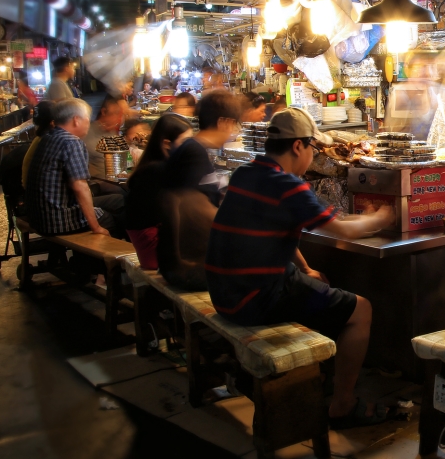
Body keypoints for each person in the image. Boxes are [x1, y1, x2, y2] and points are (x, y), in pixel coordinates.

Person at [205, 107, 395, 428]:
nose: (313, 155)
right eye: (313, 148)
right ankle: (342, 404)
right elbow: (344, 230)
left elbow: (273, 229)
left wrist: (306, 267)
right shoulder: (289, 186)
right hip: (254, 300)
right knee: (361, 310)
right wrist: (381, 217)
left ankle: (317, 376)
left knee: (317, 284)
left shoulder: (245, 174)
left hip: (223, 292)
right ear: (298, 147)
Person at [157, 90, 241, 289]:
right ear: (224, 122)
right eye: (234, 125)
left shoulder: (193, 148)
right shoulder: (194, 152)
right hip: (187, 268)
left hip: (178, 262)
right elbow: (192, 208)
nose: (233, 132)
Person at [25, 99, 124, 237]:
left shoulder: (48, 137)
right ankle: (103, 257)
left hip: (38, 218)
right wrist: (96, 227)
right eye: (87, 120)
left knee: (118, 200)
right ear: (76, 120)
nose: (89, 124)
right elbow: (80, 187)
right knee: (111, 219)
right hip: (58, 221)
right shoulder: (71, 142)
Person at [125, 115, 193, 269]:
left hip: (154, 238)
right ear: (167, 144)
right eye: (185, 142)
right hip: (153, 246)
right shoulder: (158, 169)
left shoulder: (155, 165)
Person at [84, 96, 125, 179]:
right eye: (115, 113)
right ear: (103, 112)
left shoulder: (112, 132)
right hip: (100, 181)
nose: (118, 118)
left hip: (117, 178)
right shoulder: (87, 132)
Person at [22, 101, 54, 189]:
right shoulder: (50, 141)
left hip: (31, 192)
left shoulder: (40, 138)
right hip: (39, 194)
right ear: (53, 122)